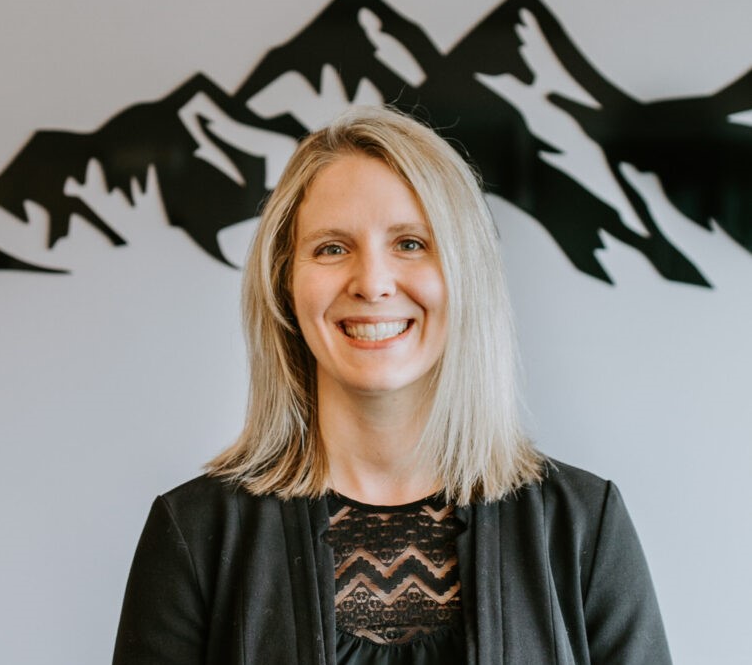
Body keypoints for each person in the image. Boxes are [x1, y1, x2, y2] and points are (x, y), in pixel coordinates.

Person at [113, 105, 672, 664]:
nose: (373, 283)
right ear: (285, 284)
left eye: (410, 243)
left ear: (466, 274)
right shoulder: (193, 533)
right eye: (332, 248)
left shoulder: (584, 525)